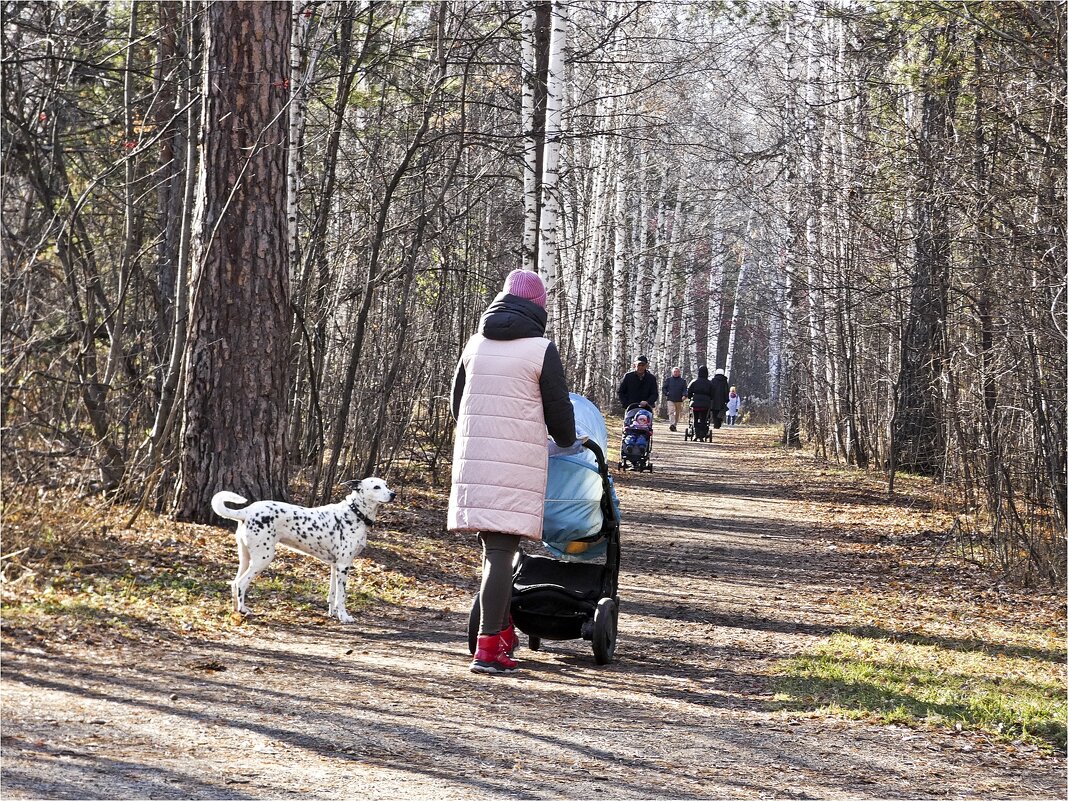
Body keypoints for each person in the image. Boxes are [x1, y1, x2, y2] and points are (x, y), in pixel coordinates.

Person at [449, 269, 576, 675]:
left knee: (496, 551)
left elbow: (457, 404)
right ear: (539, 307)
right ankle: (488, 647)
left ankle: (502, 633)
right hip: (515, 460)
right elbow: (559, 411)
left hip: (475, 455)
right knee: (503, 551)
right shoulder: (541, 349)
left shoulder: (475, 344)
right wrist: (568, 440)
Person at [686, 366, 713, 438]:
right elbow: (713, 393)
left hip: (696, 403)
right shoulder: (709, 383)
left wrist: (690, 397)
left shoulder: (694, 382)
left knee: (695, 418)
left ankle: (696, 433)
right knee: (703, 419)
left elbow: (689, 392)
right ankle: (702, 433)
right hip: (705, 404)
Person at [662, 366, 686, 432]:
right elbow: (664, 388)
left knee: (677, 413)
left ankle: (674, 425)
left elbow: (685, 389)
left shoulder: (683, 381)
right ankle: (672, 424)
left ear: (679, 373)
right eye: (674, 372)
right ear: (672, 373)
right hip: (670, 398)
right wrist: (666, 393)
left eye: (677, 372)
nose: (676, 373)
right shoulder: (669, 380)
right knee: (671, 412)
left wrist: (684, 395)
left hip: (679, 399)